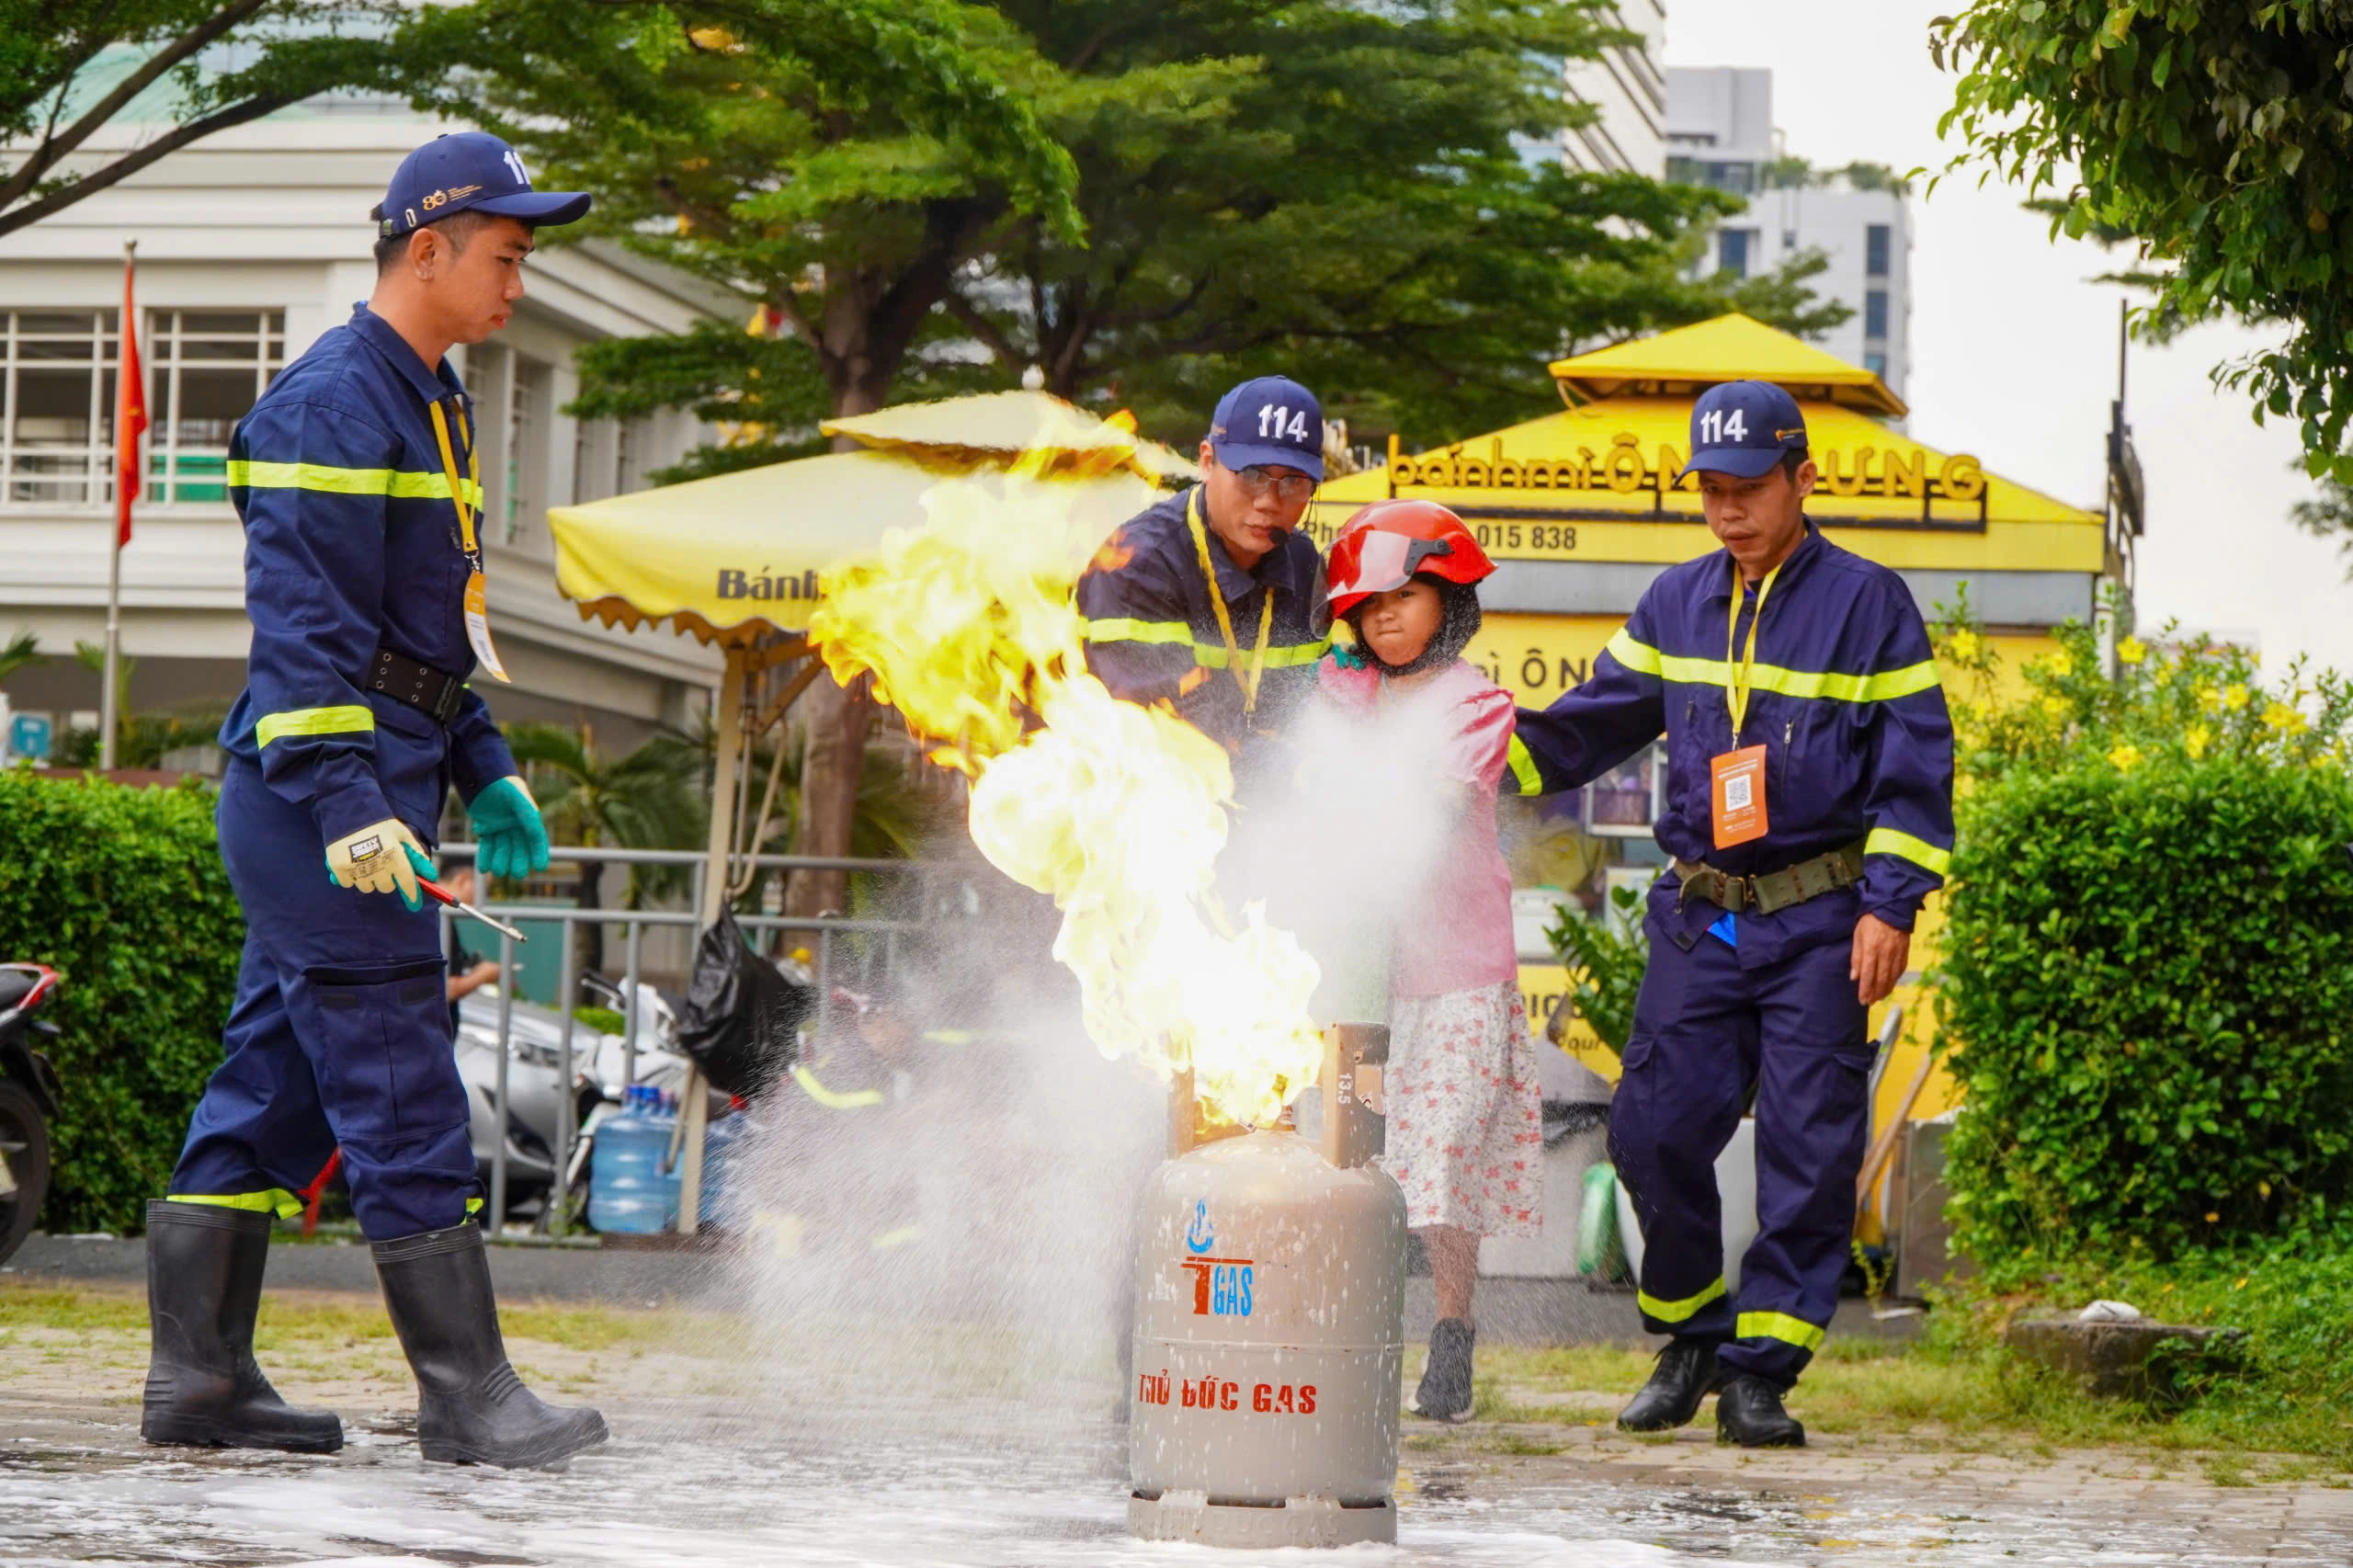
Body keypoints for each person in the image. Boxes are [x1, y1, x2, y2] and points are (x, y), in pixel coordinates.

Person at [143, 131, 607, 1469]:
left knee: (275, 1086)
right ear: (430, 248)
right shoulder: (336, 402)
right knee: (401, 1068)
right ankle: (468, 1392)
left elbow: (422, 630)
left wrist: (486, 764)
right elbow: (302, 637)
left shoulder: (430, 398)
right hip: (315, 800)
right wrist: (352, 803)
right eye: (508, 256)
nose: (520, 281)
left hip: (366, 784)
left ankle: (201, 1382)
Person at [1506, 381, 1955, 1448]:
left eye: (1746, 488)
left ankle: (1762, 1371)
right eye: (1709, 489)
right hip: (1702, 917)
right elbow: (1583, 730)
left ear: (1803, 477)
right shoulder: (1673, 600)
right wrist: (1480, 752)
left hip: (1820, 918)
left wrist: (1889, 906)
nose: (1726, 510)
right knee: (1652, 1130)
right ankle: (1689, 1335)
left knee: (1809, 1146)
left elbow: (1916, 771)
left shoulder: (1870, 603)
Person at [1314, 500, 1541, 1424]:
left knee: (1440, 1161)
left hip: (1454, 974)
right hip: (1358, 975)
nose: (1383, 619)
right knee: (1346, 1156)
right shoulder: (1343, 697)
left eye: (1402, 597)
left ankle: (1450, 1335)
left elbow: (1436, 813)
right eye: (1366, 608)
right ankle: (1353, 1337)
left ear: (1448, 601)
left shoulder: (1477, 702)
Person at [1076, 375, 1332, 774]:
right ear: (1207, 461)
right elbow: (1165, 728)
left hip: (1265, 801)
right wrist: (1288, 767)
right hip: (1145, 797)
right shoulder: (1137, 562)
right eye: (1251, 474)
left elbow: (1312, 706)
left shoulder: (1304, 563)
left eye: (1294, 482)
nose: (1268, 501)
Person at [441, 866, 501, 1028]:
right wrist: (484, 974)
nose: (482, 898)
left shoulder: (434, 914)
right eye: (483, 889)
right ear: (462, 880)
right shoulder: (441, 920)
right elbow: (445, 989)